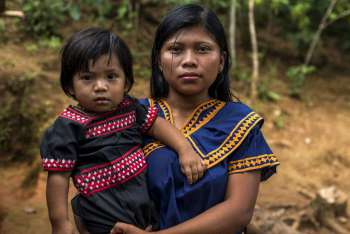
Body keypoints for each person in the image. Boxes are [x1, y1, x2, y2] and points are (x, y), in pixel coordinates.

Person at [111, 4, 279, 234]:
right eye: (176, 49)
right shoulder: (131, 115)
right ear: (159, 60)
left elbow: (239, 211)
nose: (189, 60)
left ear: (221, 61)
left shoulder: (241, 123)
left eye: (202, 49)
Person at [39, 27, 206, 234]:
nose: (100, 86)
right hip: (102, 219)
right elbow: (58, 177)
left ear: (126, 82)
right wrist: (60, 223)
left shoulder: (130, 108)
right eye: (87, 78)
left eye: (111, 76)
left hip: (145, 212)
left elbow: (156, 125)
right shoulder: (68, 126)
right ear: (70, 86)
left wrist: (184, 148)